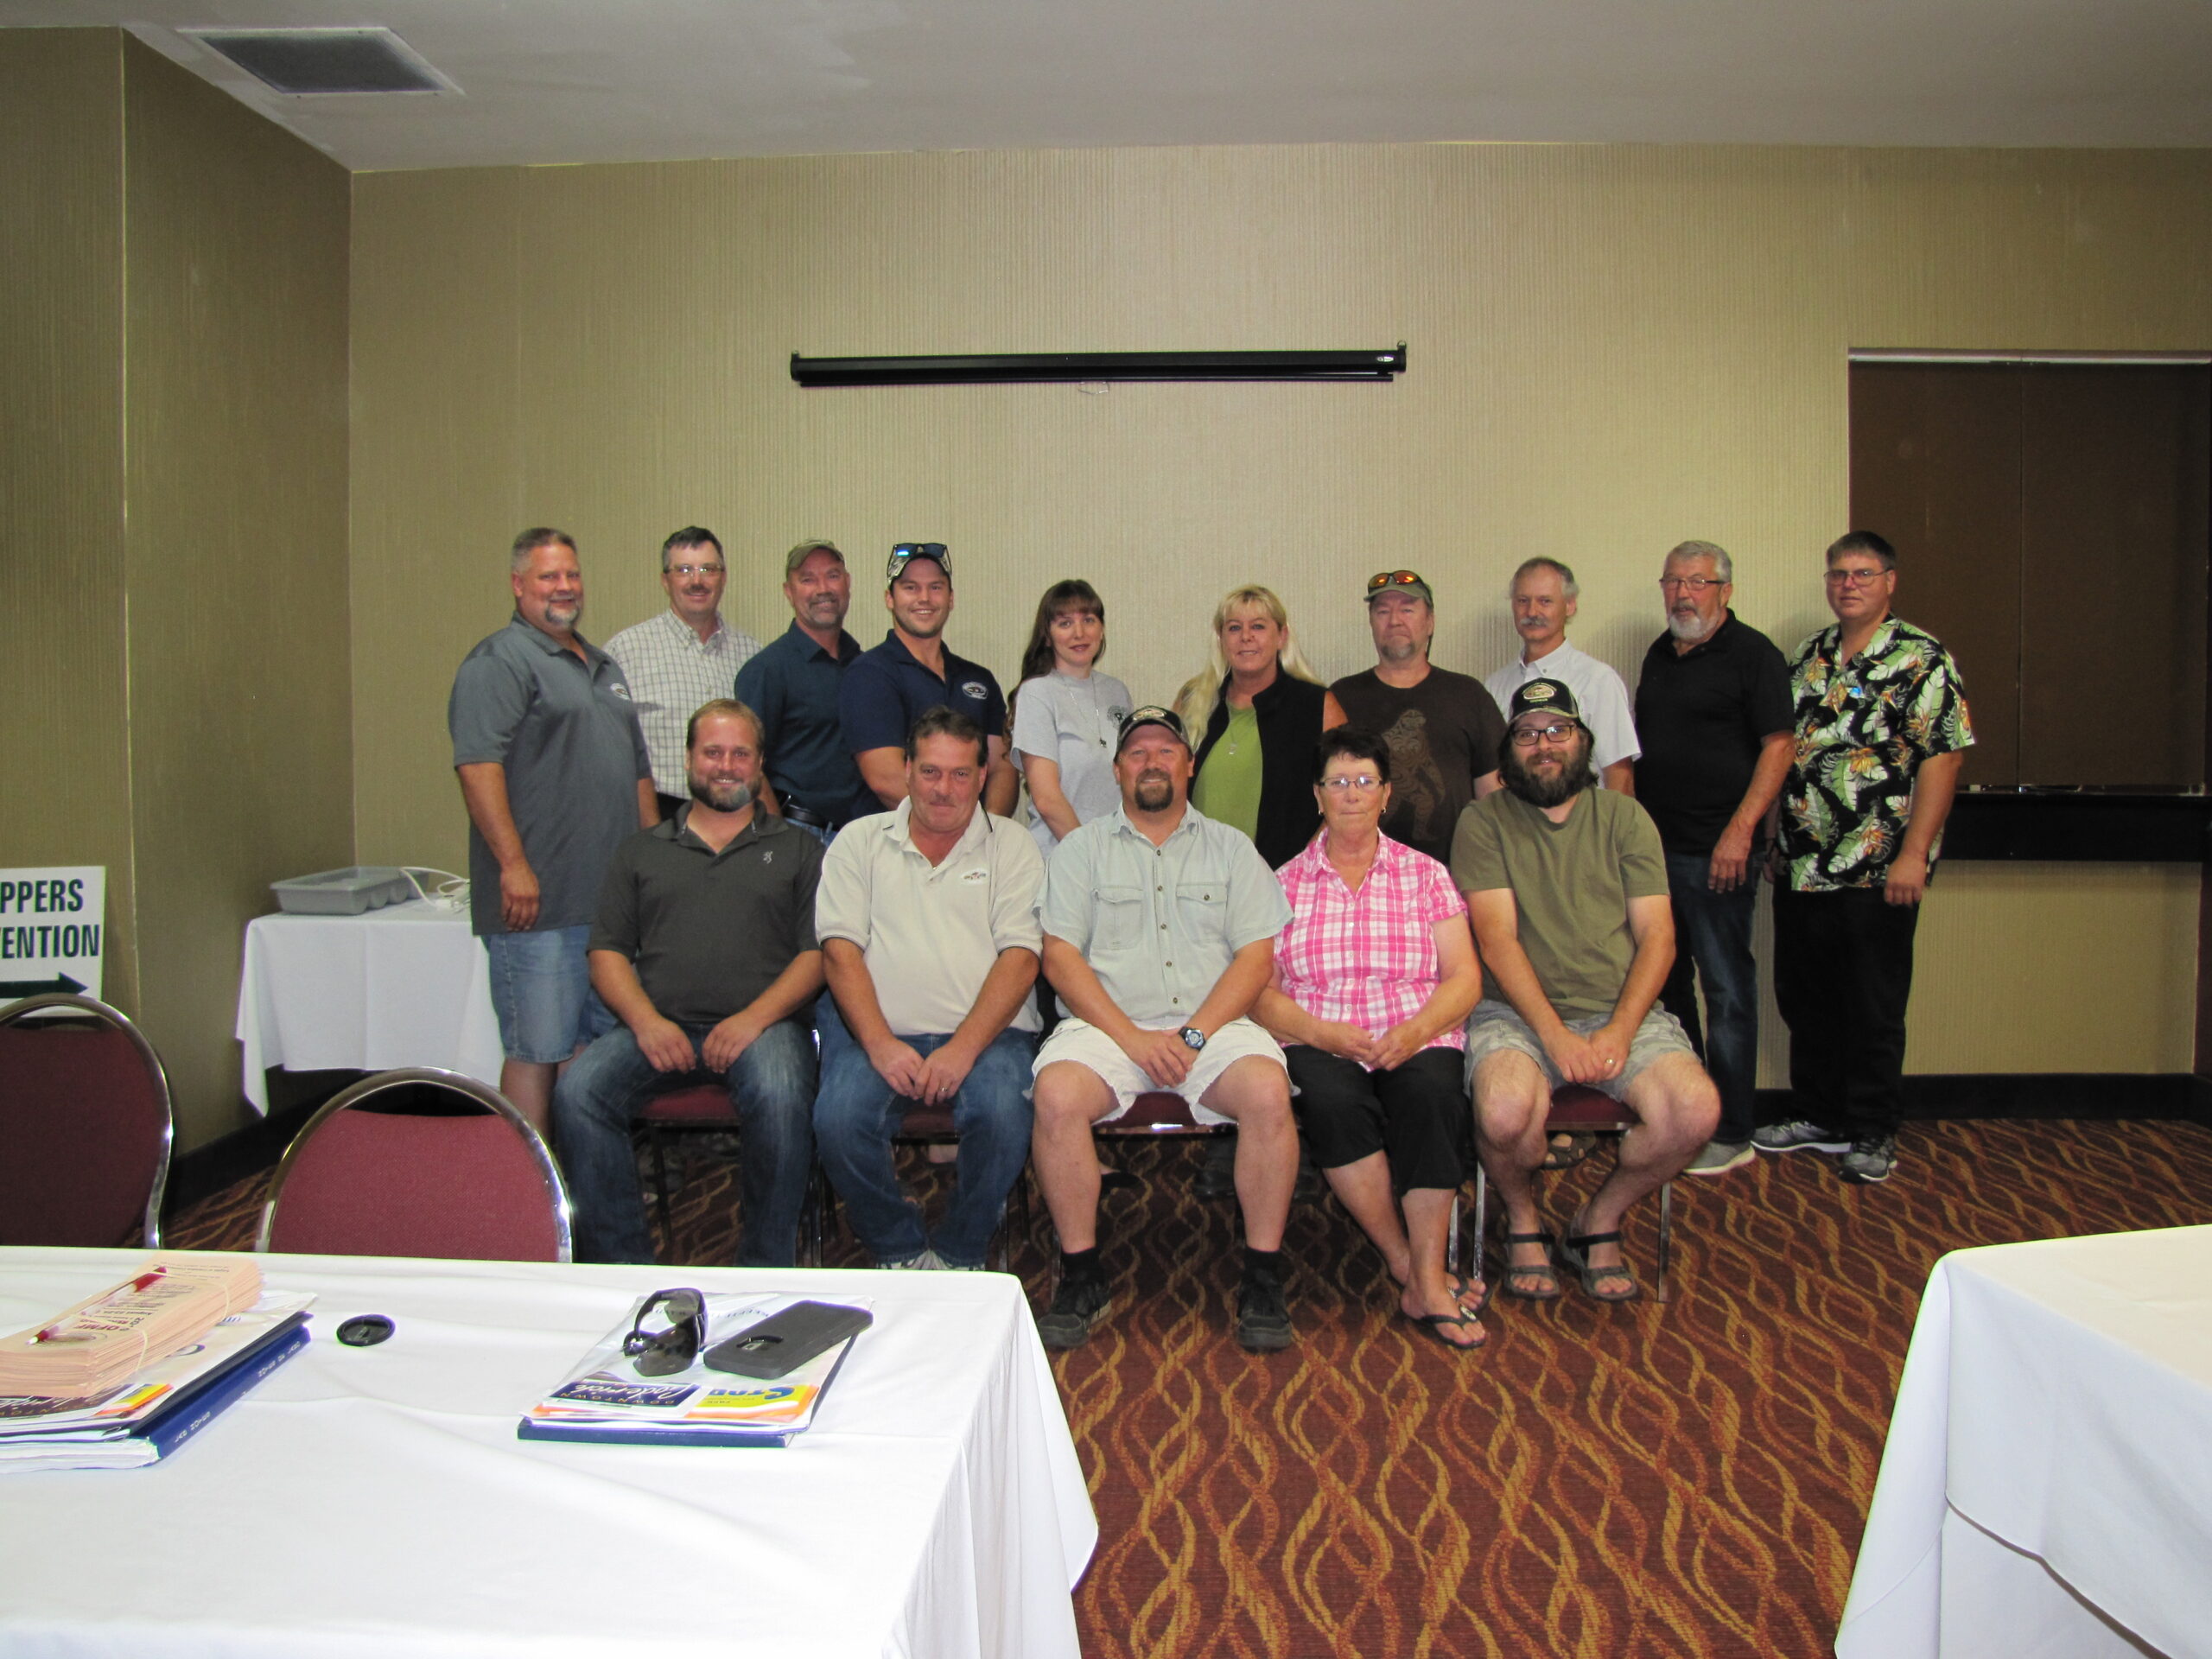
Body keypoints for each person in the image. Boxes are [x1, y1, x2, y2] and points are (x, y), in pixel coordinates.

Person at [1030, 707, 1300, 1351]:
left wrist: (1194, 1036)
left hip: (1213, 1027)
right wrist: (1132, 1039)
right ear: (1118, 769)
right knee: (1056, 1095)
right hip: (1108, 1029)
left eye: (1166, 751)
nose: (1152, 762)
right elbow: (1060, 958)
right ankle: (1082, 1275)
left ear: (1189, 765)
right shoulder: (1080, 851)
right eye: (1138, 753)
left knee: (1268, 1092)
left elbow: (1255, 959)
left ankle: (1262, 1276)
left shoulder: (1232, 848)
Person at [1451, 678, 1719, 1304]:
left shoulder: (1626, 818)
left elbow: (1658, 937)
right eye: (1527, 734)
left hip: (1620, 1009)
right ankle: (1523, 1216)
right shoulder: (1482, 821)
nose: (1543, 745)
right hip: (1514, 1014)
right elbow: (1496, 939)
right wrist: (1556, 1037)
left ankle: (1598, 1218)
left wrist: (1620, 1030)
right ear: (1509, 751)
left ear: (1583, 740)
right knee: (1503, 1113)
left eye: (1557, 730)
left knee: (1695, 1112)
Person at [551, 700, 825, 1266]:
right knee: (578, 1094)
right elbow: (606, 953)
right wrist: (646, 1023)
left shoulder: (800, 849)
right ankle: (622, 1269)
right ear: (687, 760)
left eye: (740, 754)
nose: (726, 766)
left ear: (760, 764)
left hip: (765, 1029)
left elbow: (818, 956)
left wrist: (751, 1021)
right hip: (658, 1027)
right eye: (712, 752)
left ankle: (764, 1267)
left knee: (780, 1094)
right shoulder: (641, 850)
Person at [1252, 727, 1487, 1351]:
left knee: (1432, 1097)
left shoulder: (1426, 874)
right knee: (1333, 1104)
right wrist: (1323, 1033)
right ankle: (1408, 1265)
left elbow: (1464, 978)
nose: (1351, 794)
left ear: (1386, 794)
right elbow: (1260, 994)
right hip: (1319, 1034)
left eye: (1364, 781)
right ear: (1317, 795)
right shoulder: (1282, 883)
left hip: (1416, 1031)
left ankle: (1427, 1275)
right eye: (1338, 782)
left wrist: (1415, 1032)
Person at [1755, 531, 1973, 1185]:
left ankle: (1874, 1128)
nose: (1848, 584)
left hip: (1879, 865)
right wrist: (1773, 838)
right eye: (1838, 574)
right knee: (1806, 997)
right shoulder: (1809, 656)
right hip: (1803, 863)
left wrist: (1914, 855)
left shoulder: (1921, 657)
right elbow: (1786, 752)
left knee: (1872, 1004)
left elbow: (1944, 758)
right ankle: (1819, 1114)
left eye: (1862, 573)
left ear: (1890, 581)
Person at [813, 709, 1046, 1269]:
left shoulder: (1013, 846)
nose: (944, 789)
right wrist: (879, 1044)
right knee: (837, 1121)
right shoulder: (858, 841)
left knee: (1003, 1113)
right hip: (879, 1033)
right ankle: (897, 1245)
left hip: (990, 1038)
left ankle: (961, 1249)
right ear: (907, 770)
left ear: (982, 776)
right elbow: (839, 952)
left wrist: (962, 1048)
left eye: (961, 774)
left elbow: (1021, 959)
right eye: (931, 772)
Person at [449, 527, 658, 1132]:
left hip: (608, 907)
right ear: (519, 585)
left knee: (593, 1055)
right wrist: (513, 866)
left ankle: (580, 1176)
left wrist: (655, 869)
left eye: (571, 574)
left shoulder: (604, 666)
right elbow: (478, 767)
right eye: (548, 576)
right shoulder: (499, 662)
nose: (564, 587)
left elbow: (637, 774)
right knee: (537, 1050)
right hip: (539, 906)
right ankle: (529, 1186)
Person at [1632, 540, 1794, 1176]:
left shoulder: (1754, 655)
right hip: (1657, 856)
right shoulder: (1659, 652)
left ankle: (1731, 1128)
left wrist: (1741, 833)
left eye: (1697, 582)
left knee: (1726, 990)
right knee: (1668, 989)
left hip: (1719, 854)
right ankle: (1687, 1113)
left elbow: (1779, 747)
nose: (1683, 594)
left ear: (1725, 590)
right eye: (1673, 582)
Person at [1323, 569, 1507, 862]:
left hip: (1456, 870)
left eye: (1407, 609)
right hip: (1366, 873)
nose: (1395, 620)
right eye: (1383, 611)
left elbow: (1494, 798)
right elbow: (1325, 792)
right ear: (1371, 623)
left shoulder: (1468, 695)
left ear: (1430, 622)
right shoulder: (1340, 698)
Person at [840, 543, 1017, 817]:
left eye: (935, 587)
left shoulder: (978, 679)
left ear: (951, 598)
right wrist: (955, 827)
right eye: (911, 587)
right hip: (896, 839)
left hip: (976, 838)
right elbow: (885, 779)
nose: (924, 598)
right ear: (889, 598)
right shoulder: (869, 674)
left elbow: (1002, 768)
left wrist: (988, 828)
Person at [605, 526, 763, 818]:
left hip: (735, 817)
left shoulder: (752, 655)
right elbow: (610, 751)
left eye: (708, 569)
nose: (697, 581)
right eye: (684, 570)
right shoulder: (626, 651)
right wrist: (650, 831)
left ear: (723, 578)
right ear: (665, 580)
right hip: (658, 816)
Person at [1173, 585, 1329, 870]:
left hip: (1282, 881)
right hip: (1197, 877)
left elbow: (1344, 800)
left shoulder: (1317, 705)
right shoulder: (1193, 700)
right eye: (1234, 628)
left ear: (1281, 636)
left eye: (1258, 626)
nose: (1246, 637)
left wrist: (1305, 868)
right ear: (1221, 639)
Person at [735, 539, 869, 842]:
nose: (823, 588)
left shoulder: (865, 667)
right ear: (789, 591)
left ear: (847, 583)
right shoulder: (767, 670)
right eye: (807, 579)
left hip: (861, 837)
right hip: (801, 832)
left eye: (832, 575)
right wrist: (781, 842)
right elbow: (747, 764)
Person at [1484, 557, 1640, 794]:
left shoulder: (1597, 681)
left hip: (1583, 817)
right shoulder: (1495, 685)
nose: (1532, 612)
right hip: (1514, 817)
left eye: (1545, 601)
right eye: (1523, 601)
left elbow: (1620, 776)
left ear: (1570, 605)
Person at [1011, 580, 1134, 856]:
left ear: (1101, 629)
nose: (1079, 633)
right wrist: (1091, 858)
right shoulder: (1036, 693)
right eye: (1065, 623)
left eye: (1088, 620)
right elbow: (1047, 799)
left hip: (1118, 855)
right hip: (1064, 857)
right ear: (1047, 635)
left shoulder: (1117, 691)